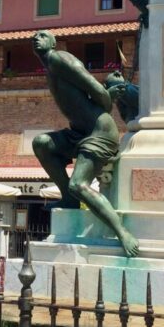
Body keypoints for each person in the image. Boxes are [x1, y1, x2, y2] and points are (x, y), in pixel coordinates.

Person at [31, 31, 139, 256]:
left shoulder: (59, 58)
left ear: (53, 42)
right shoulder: (50, 66)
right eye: (34, 36)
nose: (36, 38)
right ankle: (69, 200)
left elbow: (98, 92)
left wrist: (106, 96)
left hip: (99, 132)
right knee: (41, 143)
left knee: (78, 184)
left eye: (42, 35)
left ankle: (122, 232)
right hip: (79, 133)